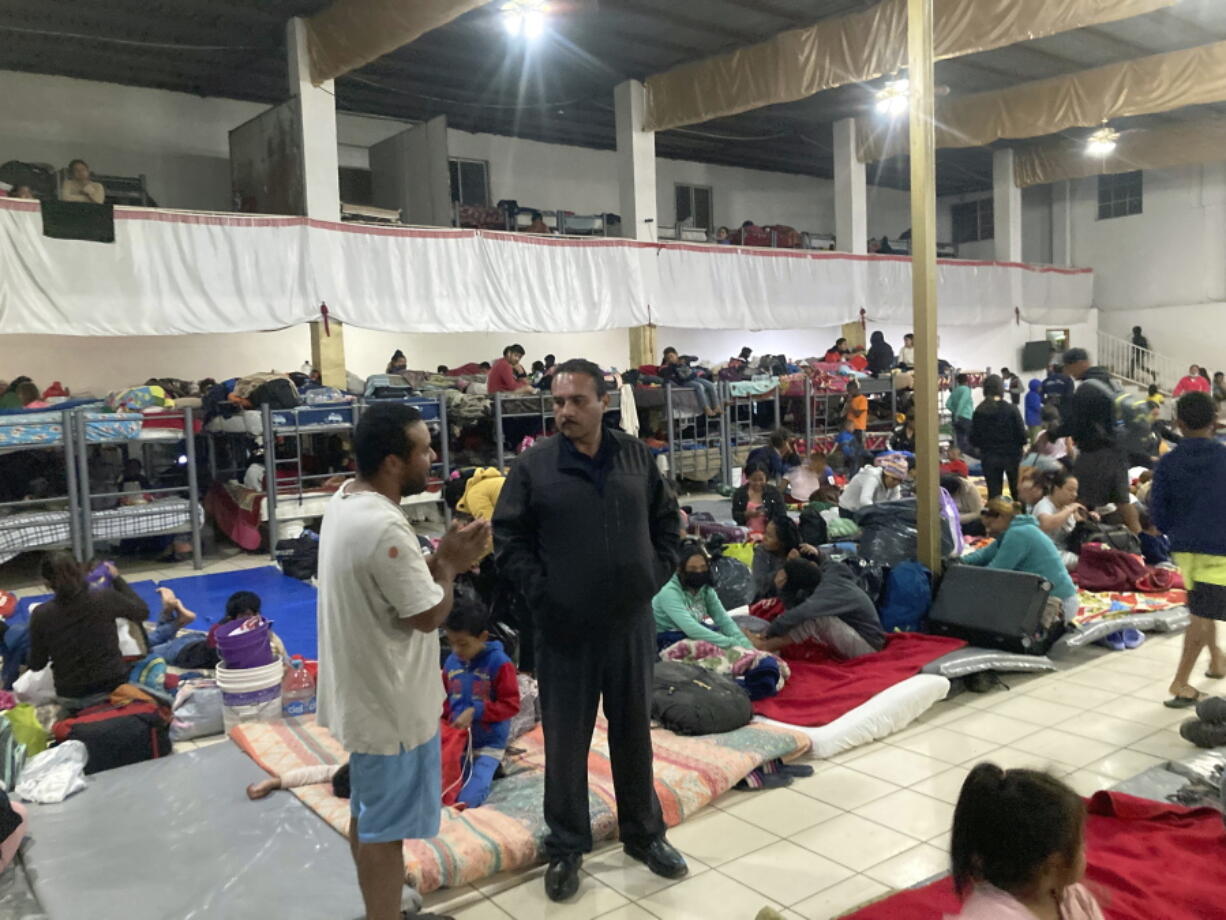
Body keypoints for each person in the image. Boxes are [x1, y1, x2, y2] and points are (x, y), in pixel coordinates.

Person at [493, 359, 686, 903]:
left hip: (628, 624)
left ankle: (643, 835)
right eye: (557, 402)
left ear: (603, 402)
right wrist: (544, 596)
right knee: (567, 742)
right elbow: (508, 540)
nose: (565, 412)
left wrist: (651, 576)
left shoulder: (636, 460)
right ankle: (567, 846)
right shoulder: (535, 467)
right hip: (563, 632)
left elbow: (668, 525)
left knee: (632, 734)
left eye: (576, 401)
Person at [315, 401, 489, 920]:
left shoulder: (348, 500)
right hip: (387, 702)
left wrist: (437, 558)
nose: (432, 457)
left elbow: (399, 585)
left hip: (363, 691)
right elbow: (428, 615)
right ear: (394, 461)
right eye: (423, 449)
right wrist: (453, 566)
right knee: (384, 830)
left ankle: (385, 904)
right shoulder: (384, 527)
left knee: (369, 814)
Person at [947, 762, 1104, 920]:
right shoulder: (989, 916)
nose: (1085, 849)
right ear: (1054, 864)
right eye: (1081, 843)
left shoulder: (1072, 896)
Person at [1149, 391, 1226, 708]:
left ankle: (1217, 660)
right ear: (1215, 421)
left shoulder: (1168, 462)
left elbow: (1158, 514)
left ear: (1178, 424)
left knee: (1201, 606)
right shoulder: (1224, 457)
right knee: (1201, 613)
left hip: (1185, 547)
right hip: (1219, 547)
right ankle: (1180, 682)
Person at [26, 554, 149, 710]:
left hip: (72, 696)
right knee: (131, 626)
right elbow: (142, 612)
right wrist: (117, 579)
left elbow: (37, 664)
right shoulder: (104, 597)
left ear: (46, 582)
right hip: (114, 687)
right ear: (80, 570)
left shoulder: (41, 614)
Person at [441, 598, 521, 809]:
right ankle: (485, 770)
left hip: (488, 744)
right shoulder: (451, 663)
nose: (456, 650)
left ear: (482, 637)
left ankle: (490, 767)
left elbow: (511, 705)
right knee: (443, 790)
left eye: (463, 644)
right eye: (451, 643)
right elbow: (447, 701)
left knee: (467, 800)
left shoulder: (499, 664)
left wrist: (475, 711)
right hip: (459, 743)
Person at [1056, 347, 1140, 535]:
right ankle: (1139, 539)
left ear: (1080, 363)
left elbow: (1075, 424)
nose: (1069, 372)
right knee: (1122, 500)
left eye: (1069, 367)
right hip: (1119, 450)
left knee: (1079, 496)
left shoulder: (1087, 389)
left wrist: (1053, 433)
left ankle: (1078, 538)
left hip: (1096, 452)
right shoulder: (1112, 382)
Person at [962, 498, 1080, 625]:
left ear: (1000, 518)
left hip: (1057, 604)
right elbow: (983, 555)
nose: (988, 531)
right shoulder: (1016, 531)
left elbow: (996, 572)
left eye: (989, 525)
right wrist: (959, 562)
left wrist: (964, 578)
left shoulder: (1019, 534)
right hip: (1055, 599)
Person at [751, 556, 884, 660]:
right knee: (799, 616)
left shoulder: (827, 591)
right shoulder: (824, 575)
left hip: (869, 647)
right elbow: (792, 607)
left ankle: (765, 645)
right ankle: (767, 640)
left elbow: (800, 613)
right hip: (857, 635)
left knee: (817, 620)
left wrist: (769, 632)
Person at [653, 545, 753, 651]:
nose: (699, 572)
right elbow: (691, 629)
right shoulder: (668, 591)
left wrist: (745, 644)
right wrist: (731, 644)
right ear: (680, 570)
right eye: (692, 569)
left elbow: (723, 619)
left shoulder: (705, 589)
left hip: (692, 633)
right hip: (668, 638)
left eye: (703, 567)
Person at [971, 375, 1028, 501]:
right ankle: (1020, 518)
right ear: (1001, 389)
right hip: (1012, 456)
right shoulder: (1011, 409)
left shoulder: (979, 411)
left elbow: (974, 438)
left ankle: (996, 519)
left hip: (989, 457)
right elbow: (1022, 436)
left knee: (994, 494)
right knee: (1017, 493)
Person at [1032, 469, 1092, 570]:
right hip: (1047, 554)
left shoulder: (1066, 507)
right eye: (1070, 490)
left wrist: (1085, 520)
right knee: (1087, 562)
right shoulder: (1044, 505)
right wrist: (1070, 509)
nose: (1074, 494)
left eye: (1076, 491)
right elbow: (1046, 525)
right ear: (1056, 488)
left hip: (1066, 550)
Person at [731, 461, 787, 538]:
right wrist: (747, 514)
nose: (758, 483)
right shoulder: (740, 493)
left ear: (766, 478)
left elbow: (782, 516)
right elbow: (735, 515)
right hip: (746, 535)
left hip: (770, 536)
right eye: (754, 480)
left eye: (761, 480)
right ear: (748, 478)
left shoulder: (774, 493)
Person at [659, 347, 720, 417]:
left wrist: (686, 359)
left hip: (692, 377)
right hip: (684, 381)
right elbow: (680, 378)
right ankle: (706, 408)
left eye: (671, 356)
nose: (670, 359)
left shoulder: (682, 359)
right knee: (699, 386)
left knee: (711, 385)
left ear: (676, 355)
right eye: (668, 358)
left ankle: (716, 407)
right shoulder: (670, 367)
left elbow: (695, 358)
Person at [839, 454, 908, 514]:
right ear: (886, 475)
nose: (896, 483)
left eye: (900, 481)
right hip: (849, 510)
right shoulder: (872, 478)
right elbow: (865, 501)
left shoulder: (895, 485)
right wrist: (880, 513)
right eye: (894, 479)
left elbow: (894, 503)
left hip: (869, 510)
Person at [947, 373, 975, 455]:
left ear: (958, 381)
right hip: (966, 417)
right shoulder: (966, 390)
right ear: (967, 381)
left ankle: (960, 458)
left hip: (957, 420)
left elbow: (947, 404)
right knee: (971, 440)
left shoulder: (955, 391)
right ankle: (971, 458)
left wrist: (955, 412)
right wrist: (958, 413)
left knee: (960, 443)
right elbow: (962, 402)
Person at [844, 379, 868, 445]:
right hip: (850, 428)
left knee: (859, 448)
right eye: (848, 391)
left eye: (850, 390)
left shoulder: (863, 399)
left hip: (858, 429)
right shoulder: (851, 400)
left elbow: (857, 414)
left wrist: (850, 402)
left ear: (856, 389)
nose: (849, 393)